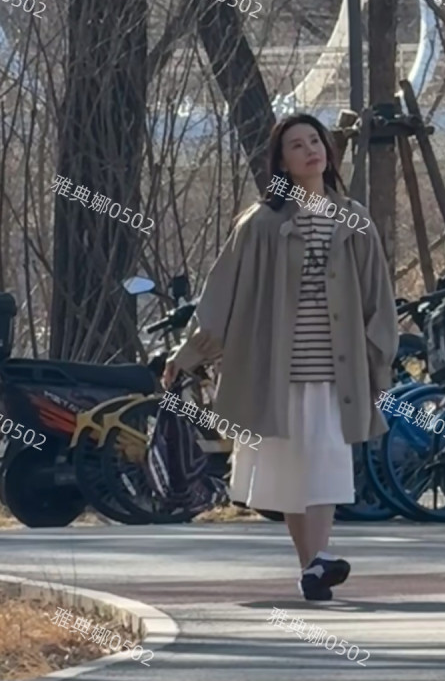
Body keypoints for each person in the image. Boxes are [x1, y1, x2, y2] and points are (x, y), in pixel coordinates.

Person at [163, 113, 399, 600]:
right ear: (282, 162)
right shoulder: (260, 224)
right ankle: (314, 564)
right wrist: (188, 353)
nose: (311, 150)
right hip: (276, 370)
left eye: (316, 141)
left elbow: (379, 303)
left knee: (326, 463)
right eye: (297, 145)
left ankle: (316, 562)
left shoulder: (354, 220)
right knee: (293, 468)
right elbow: (221, 295)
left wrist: (379, 367)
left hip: (337, 372)